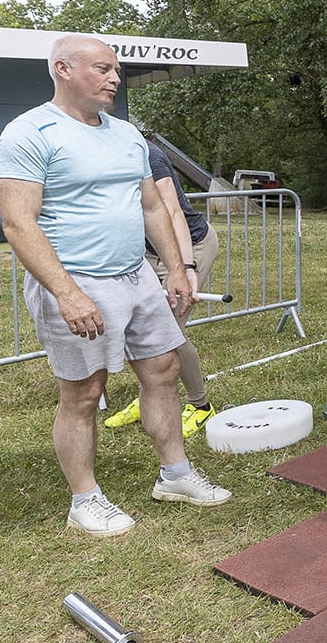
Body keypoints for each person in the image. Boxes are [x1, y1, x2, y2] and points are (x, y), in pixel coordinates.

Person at [0, 34, 232, 538]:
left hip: (137, 276)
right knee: (84, 392)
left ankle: (176, 475)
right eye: (102, 69)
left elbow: (151, 207)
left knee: (164, 369)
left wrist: (176, 268)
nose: (114, 79)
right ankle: (85, 499)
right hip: (77, 280)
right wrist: (67, 292)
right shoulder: (28, 133)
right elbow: (19, 224)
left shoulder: (126, 135)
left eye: (115, 70)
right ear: (62, 69)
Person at [103, 139, 219, 437]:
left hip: (189, 245)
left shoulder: (147, 155)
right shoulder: (95, 154)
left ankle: (200, 406)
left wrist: (185, 267)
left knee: (169, 332)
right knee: (141, 329)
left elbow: (171, 212)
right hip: (146, 253)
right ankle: (150, 397)